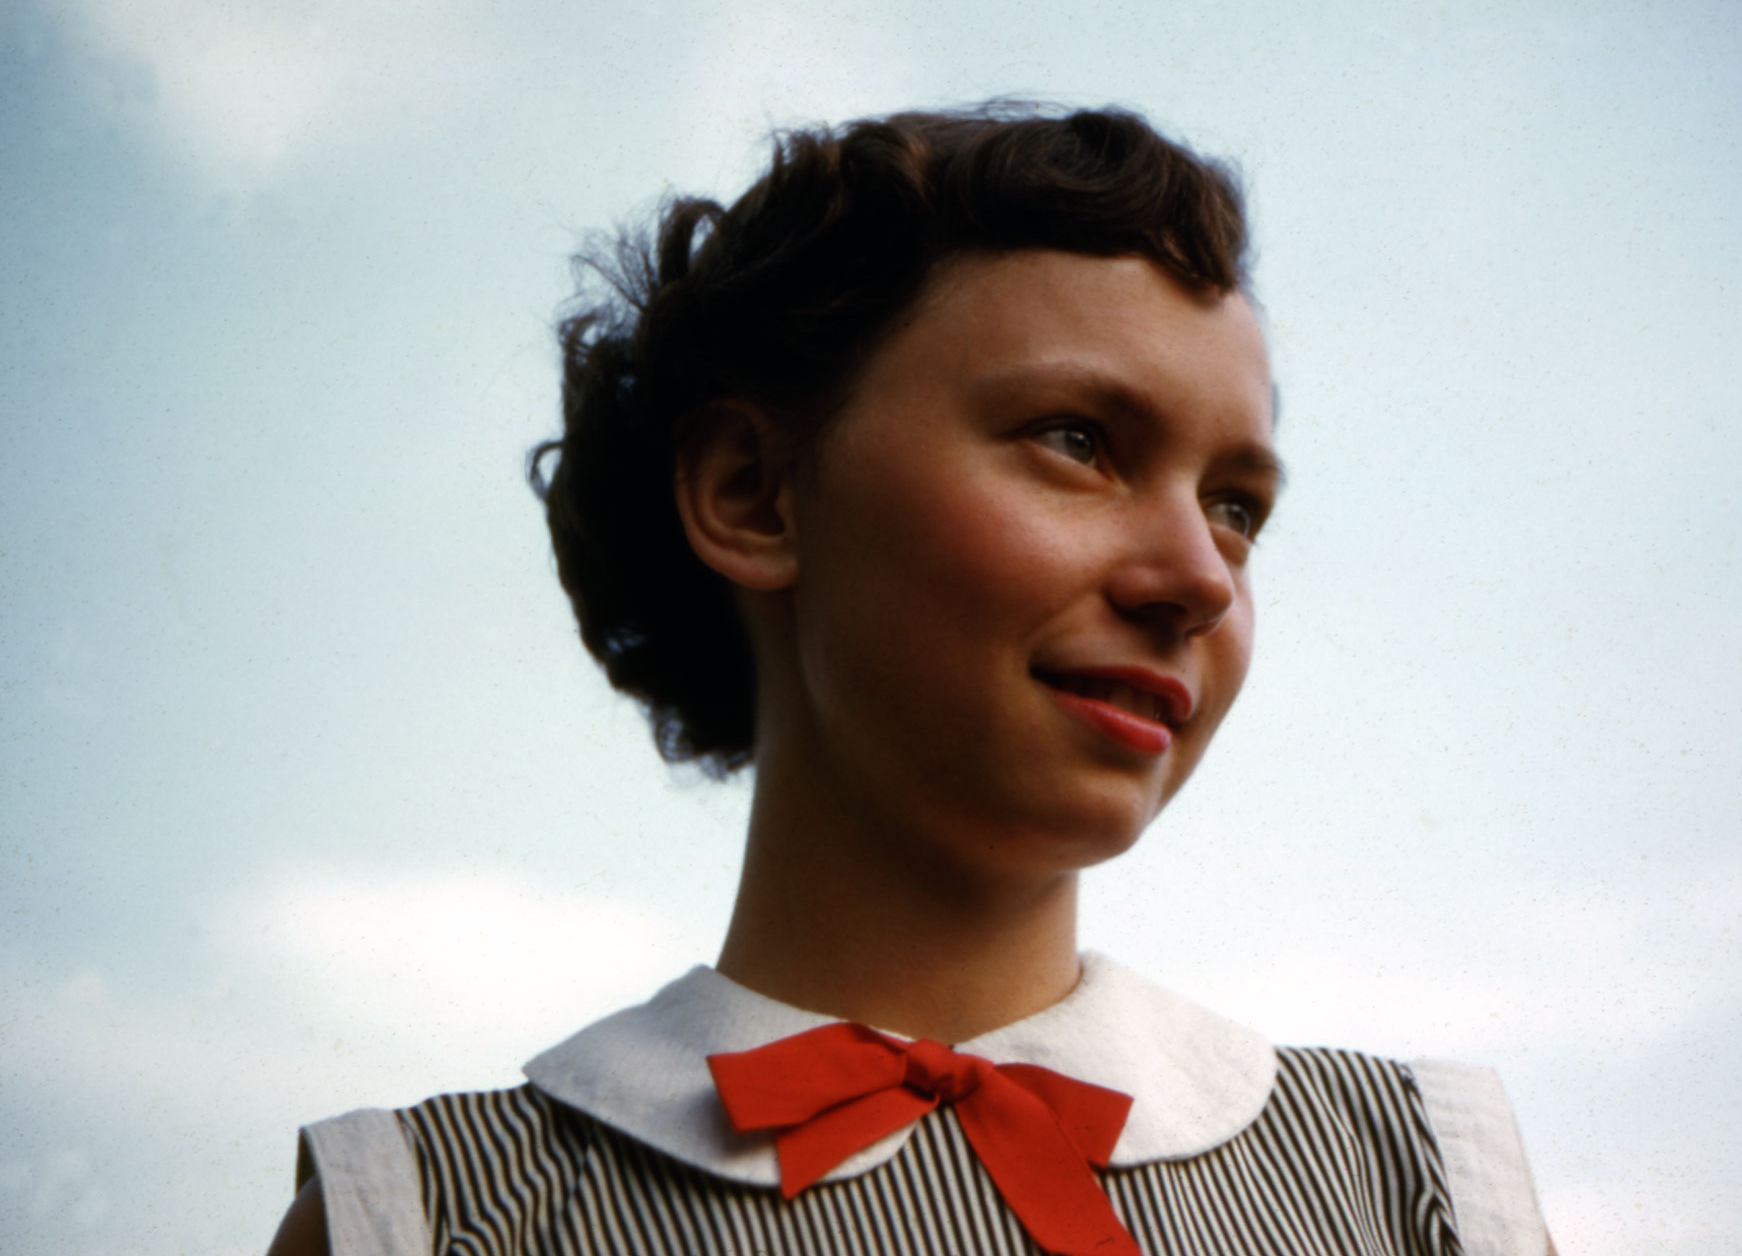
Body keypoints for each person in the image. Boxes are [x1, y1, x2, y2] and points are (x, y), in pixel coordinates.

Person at [268, 105, 1554, 1256]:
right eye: (1076, 441)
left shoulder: (1419, 1186)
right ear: (753, 493)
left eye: (1234, 505)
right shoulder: (425, 1216)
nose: (1199, 577)